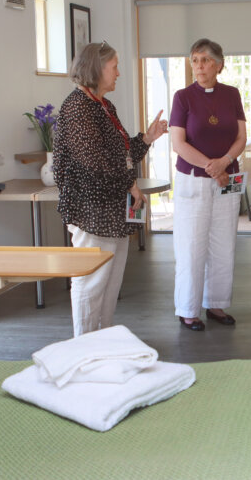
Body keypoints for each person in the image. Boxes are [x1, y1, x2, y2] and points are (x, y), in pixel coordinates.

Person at [54, 42, 168, 337]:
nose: (118, 73)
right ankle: (84, 345)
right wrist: (131, 184)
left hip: (113, 209)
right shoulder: (78, 107)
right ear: (96, 68)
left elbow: (120, 156)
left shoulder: (103, 105)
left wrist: (147, 137)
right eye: (114, 66)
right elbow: (95, 163)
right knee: (91, 282)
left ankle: (102, 341)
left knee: (110, 282)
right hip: (92, 210)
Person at [170, 38, 247, 331]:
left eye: (204, 60)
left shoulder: (232, 94)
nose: (199, 66)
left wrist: (224, 161)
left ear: (219, 64)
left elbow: (240, 136)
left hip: (228, 177)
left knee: (224, 243)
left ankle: (216, 304)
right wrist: (211, 166)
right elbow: (178, 144)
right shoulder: (183, 97)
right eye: (194, 60)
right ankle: (188, 310)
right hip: (194, 181)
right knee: (191, 246)